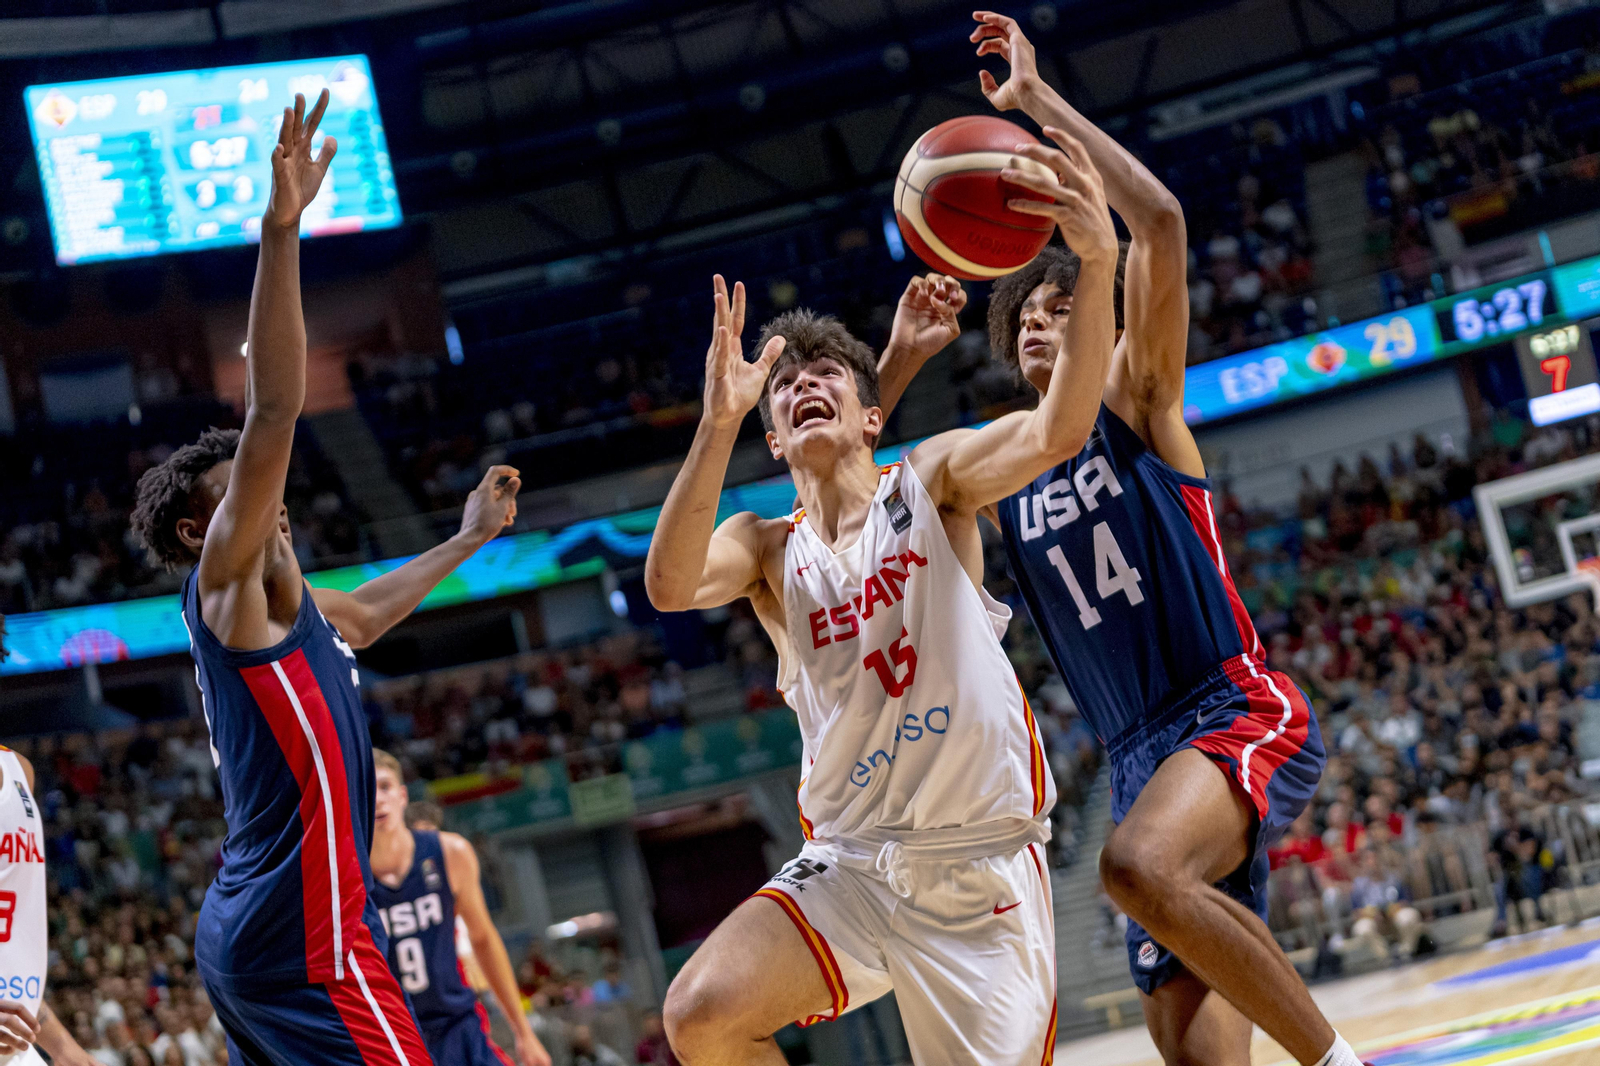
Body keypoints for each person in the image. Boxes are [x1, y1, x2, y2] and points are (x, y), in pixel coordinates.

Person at [873, 14, 1352, 1066]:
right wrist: (899, 361)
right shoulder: (997, 465)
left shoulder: (1135, 399)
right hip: (1135, 753)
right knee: (1195, 1052)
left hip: (1228, 702)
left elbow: (1164, 227)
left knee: (1133, 865)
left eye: (1059, 301)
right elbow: (861, 484)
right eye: (1024, 317)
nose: (1040, 319)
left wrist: (1036, 107)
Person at [644, 125, 1120, 1064]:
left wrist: (1097, 257)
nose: (802, 385)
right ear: (771, 437)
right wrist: (714, 421)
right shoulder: (767, 550)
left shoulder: (931, 484)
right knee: (699, 1012)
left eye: (827, 374)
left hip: (976, 861)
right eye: (784, 386)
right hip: (851, 862)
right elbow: (666, 585)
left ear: (873, 414)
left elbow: (1060, 429)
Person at [128, 91, 518, 1066]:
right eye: (239, 492)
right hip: (304, 941)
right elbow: (273, 411)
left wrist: (465, 540)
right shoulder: (227, 580)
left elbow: (372, 614)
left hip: (262, 931)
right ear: (198, 525)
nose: (269, 492)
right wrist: (280, 226)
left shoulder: (289, 604)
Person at [369, 751, 549, 1066]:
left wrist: (523, 1032)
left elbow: (483, 939)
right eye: (369, 790)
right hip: (391, 1035)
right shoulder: (346, 875)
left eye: (385, 787)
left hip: (456, 1023)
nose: (378, 799)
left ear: (402, 795)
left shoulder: (450, 852)